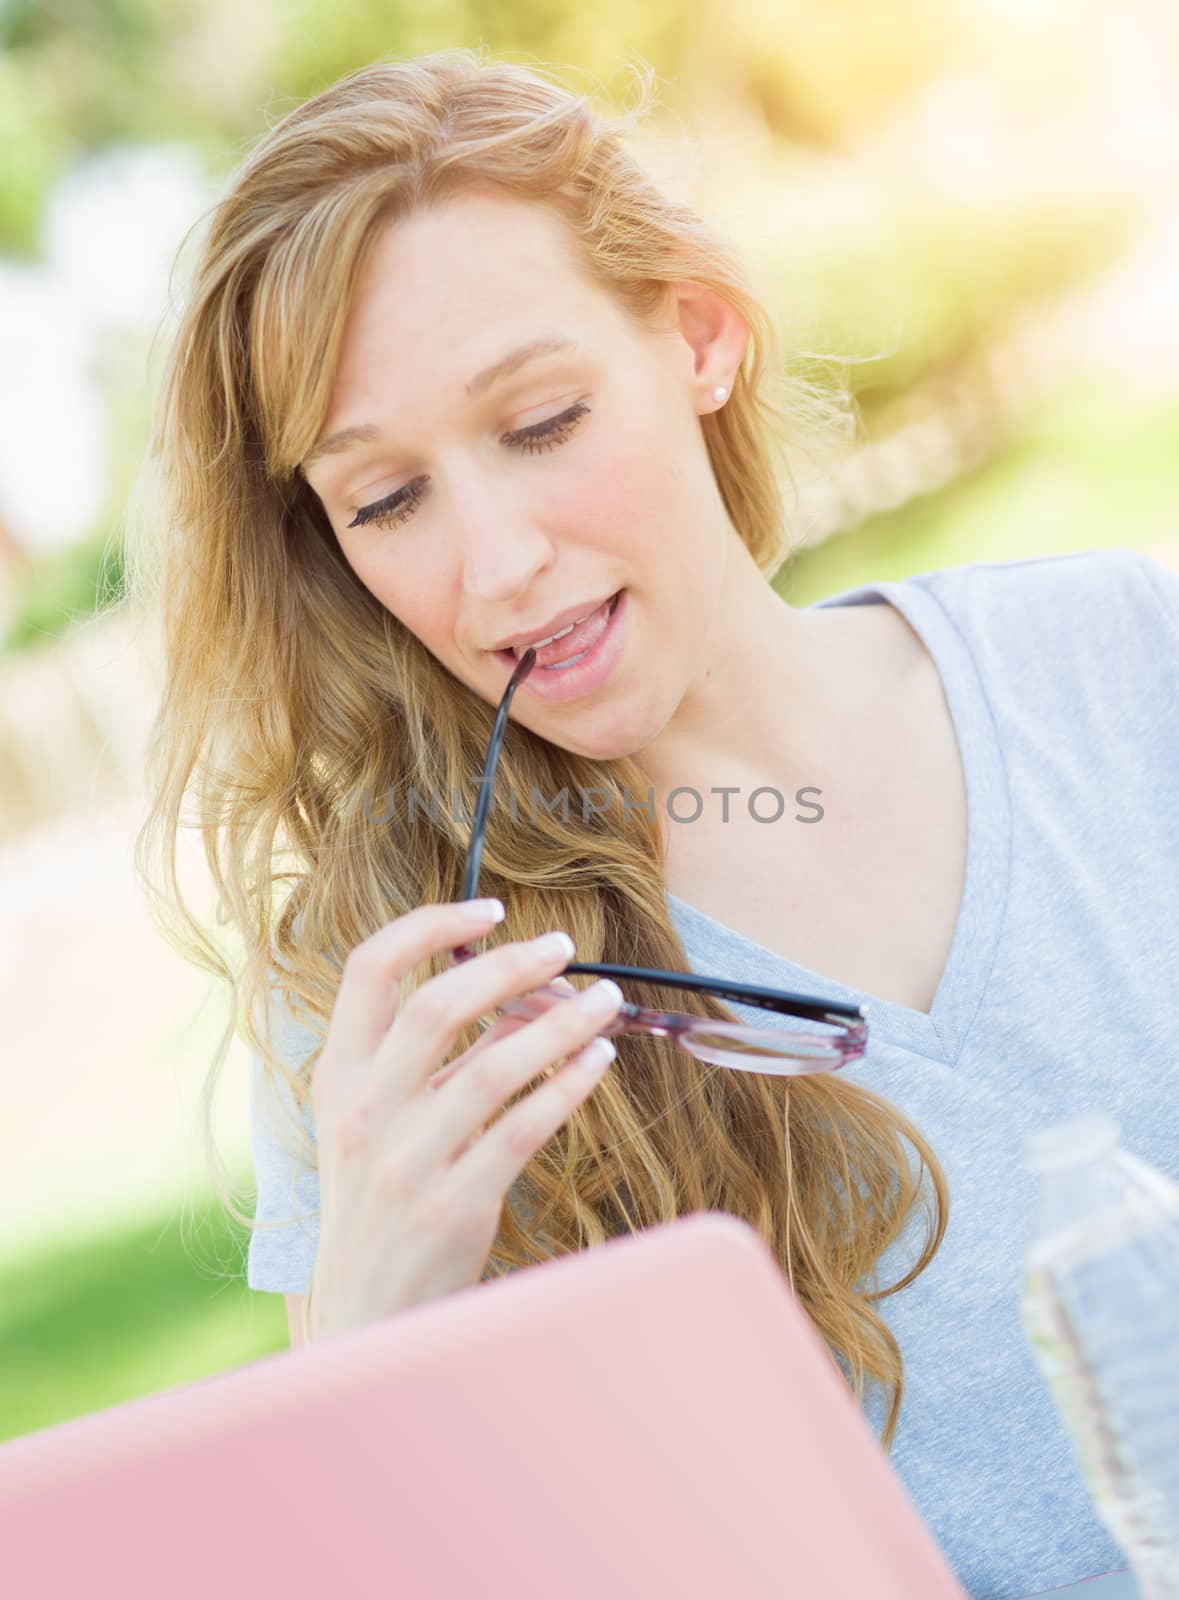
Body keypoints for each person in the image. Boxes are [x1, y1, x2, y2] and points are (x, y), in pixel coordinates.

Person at [125, 46, 1179, 1600]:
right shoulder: (403, 1012)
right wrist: (366, 1329)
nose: (495, 566)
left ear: (698, 335)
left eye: (540, 421)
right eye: (388, 501)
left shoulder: (1125, 662)